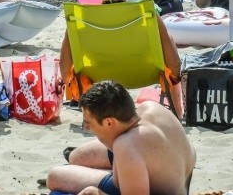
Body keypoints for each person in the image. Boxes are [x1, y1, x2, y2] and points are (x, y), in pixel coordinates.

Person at [59, 0, 183, 114]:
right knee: (169, 42)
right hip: (143, 75)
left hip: (98, 78)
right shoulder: (147, 14)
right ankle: (178, 112)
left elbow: (64, 67)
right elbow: (174, 64)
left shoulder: (79, 19)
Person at [46, 81, 194, 195]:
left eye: (88, 123)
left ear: (109, 122)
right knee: (76, 156)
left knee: (55, 176)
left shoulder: (126, 145)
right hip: (176, 178)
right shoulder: (151, 108)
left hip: (155, 190)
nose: (86, 128)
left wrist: (98, 193)